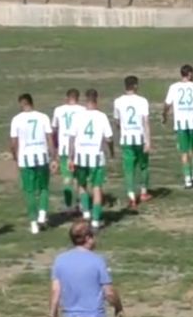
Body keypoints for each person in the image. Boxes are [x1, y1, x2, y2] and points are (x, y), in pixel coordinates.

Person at [10, 93, 56, 235]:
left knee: (29, 191)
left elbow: (13, 143)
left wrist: (15, 157)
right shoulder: (43, 117)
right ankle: (42, 214)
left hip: (26, 158)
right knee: (43, 188)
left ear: (21, 104)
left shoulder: (17, 119)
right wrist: (53, 156)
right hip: (42, 156)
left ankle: (33, 222)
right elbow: (50, 138)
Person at [71, 89, 115, 230]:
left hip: (81, 156)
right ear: (97, 99)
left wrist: (71, 156)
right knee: (97, 188)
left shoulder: (78, 116)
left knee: (82, 186)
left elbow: (72, 138)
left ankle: (86, 213)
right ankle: (95, 220)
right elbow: (109, 138)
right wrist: (112, 151)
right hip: (97, 157)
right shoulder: (101, 117)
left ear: (85, 100)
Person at [163, 64, 193, 188]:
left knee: (183, 151)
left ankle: (187, 180)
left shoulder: (173, 87)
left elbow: (167, 104)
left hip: (180, 123)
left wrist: (164, 115)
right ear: (190, 74)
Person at [113, 75, 152, 209]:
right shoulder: (142, 101)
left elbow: (117, 121)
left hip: (126, 138)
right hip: (139, 137)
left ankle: (131, 196)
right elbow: (145, 122)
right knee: (143, 165)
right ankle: (143, 192)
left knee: (128, 169)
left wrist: (121, 130)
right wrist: (148, 141)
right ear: (135, 85)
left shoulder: (118, 101)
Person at [52, 89, 84, 215]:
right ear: (78, 97)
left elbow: (54, 130)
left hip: (64, 147)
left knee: (67, 177)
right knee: (79, 177)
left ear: (67, 97)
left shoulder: (59, 110)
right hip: (79, 148)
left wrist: (55, 148)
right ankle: (81, 204)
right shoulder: (82, 110)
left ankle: (68, 205)